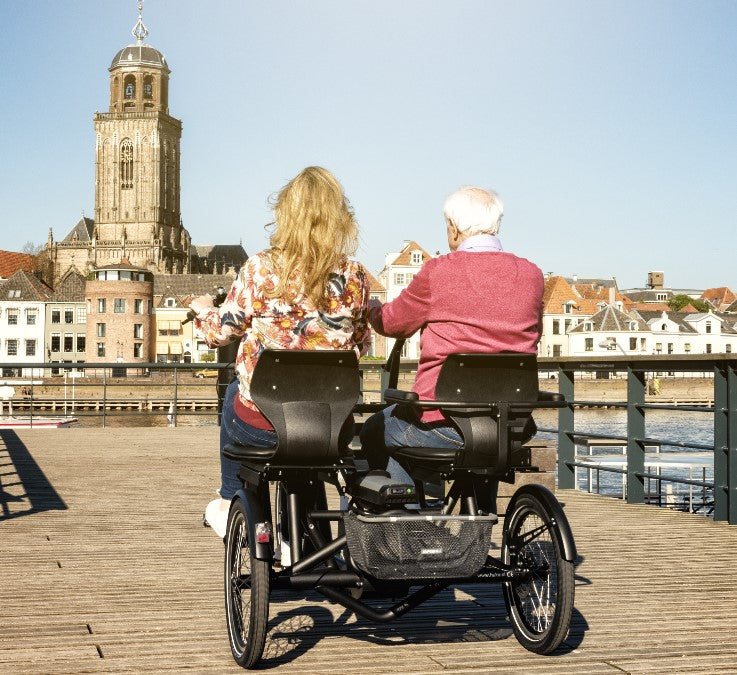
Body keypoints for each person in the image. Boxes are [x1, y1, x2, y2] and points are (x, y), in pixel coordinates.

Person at [190, 166, 371, 538]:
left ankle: (230, 501)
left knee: (235, 395)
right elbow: (363, 342)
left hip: (263, 426)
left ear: (285, 216)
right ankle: (303, 535)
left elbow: (221, 332)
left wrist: (203, 307)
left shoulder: (260, 268)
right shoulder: (355, 275)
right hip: (329, 425)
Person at [359, 186, 544, 512]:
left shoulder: (438, 272)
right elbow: (534, 333)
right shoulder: (532, 274)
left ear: (455, 228)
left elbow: (393, 324)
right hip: (509, 426)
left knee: (378, 428)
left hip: (443, 424)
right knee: (481, 441)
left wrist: (371, 308)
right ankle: (479, 520)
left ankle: (403, 524)